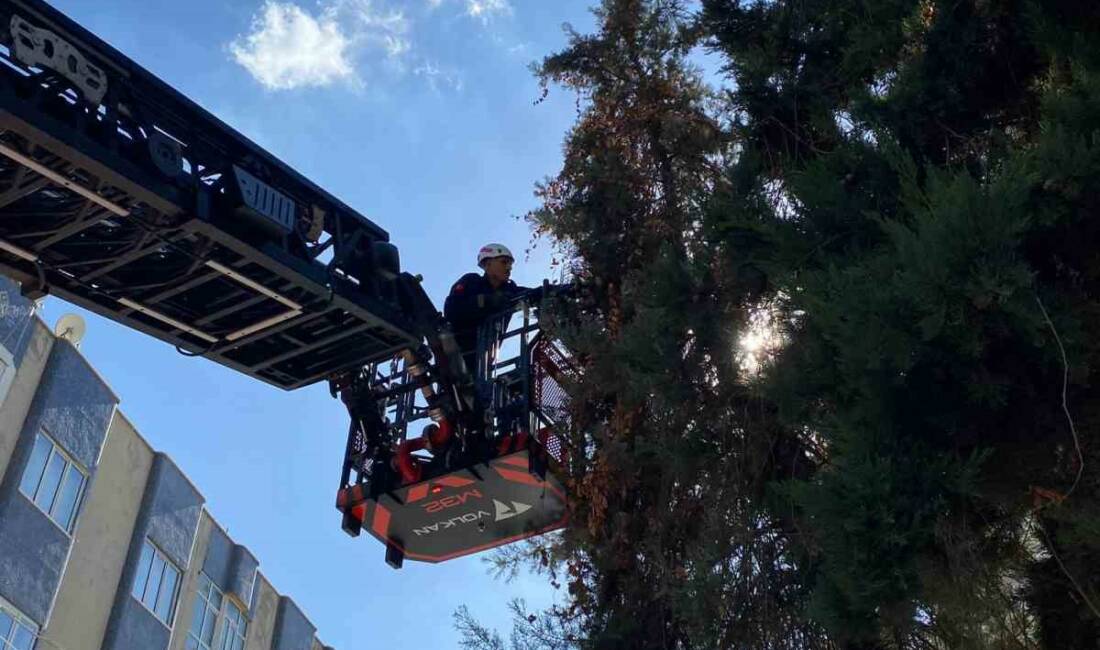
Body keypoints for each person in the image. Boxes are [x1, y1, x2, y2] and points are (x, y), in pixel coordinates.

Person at [443, 243, 533, 374]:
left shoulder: (510, 291)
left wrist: (559, 291)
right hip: (457, 357)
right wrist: (487, 301)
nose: (509, 268)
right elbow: (452, 310)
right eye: (504, 262)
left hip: (483, 366)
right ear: (487, 264)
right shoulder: (471, 281)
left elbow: (533, 294)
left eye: (510, 264)